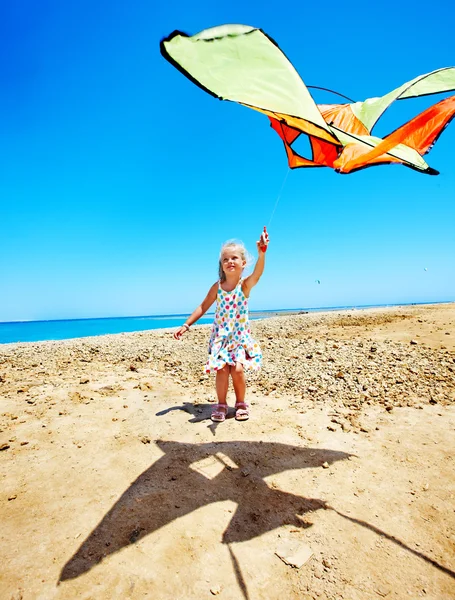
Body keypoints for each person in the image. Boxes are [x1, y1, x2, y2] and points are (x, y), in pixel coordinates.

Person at [174, 227, 270, 422]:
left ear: (243, 263)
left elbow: (258, 274)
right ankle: (221, 404)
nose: (229, 262)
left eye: (234, 258)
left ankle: (241, 402)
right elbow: (203, 306)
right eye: (225, 259)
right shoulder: (217, 287)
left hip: (239, 338)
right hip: (220, 337)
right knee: (221, 369)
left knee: (238, 369)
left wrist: (261, 254)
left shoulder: (244, 286)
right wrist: (186, 325)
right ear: (222, 264)